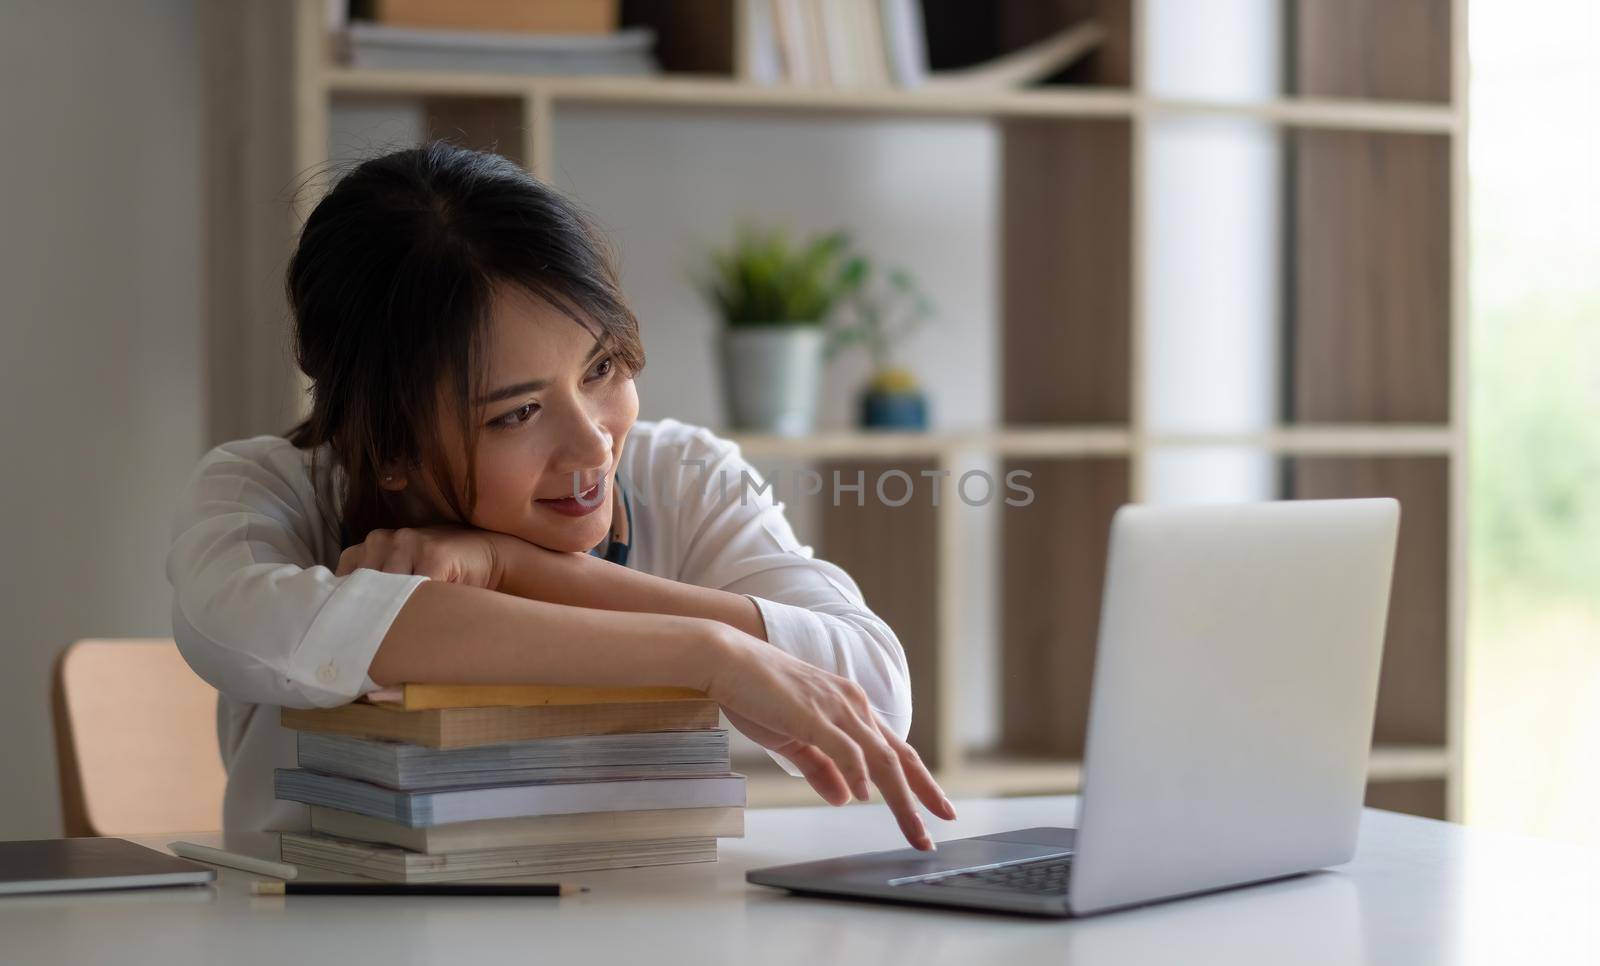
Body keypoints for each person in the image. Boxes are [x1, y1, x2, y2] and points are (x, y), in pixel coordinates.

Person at [165, 141, 954, 849]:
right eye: (517, 413)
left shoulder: (681, 473)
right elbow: (272, 630)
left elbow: (875, 689)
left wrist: (520, 568)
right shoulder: (262, 496)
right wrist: (706, 651)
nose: (595, 444)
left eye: (602, 368)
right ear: (393, 444)